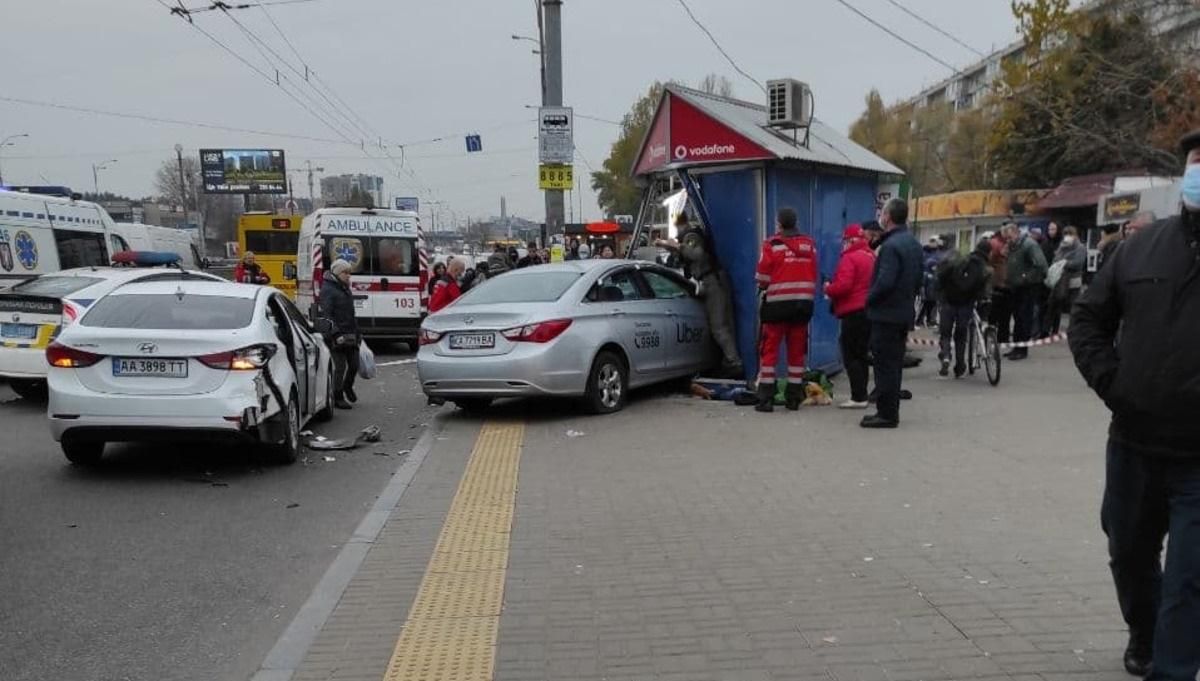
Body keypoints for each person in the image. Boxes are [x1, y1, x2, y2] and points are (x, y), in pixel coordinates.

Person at [1069, 129, 1200, 681]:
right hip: (1134, 443)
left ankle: (1173, 667)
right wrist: (1112, 383)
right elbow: (1087, 320)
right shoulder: (1139, 247)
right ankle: (1143, 636)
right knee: (1127, 552)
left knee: (1189, 576)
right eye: (1197, 160)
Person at [862, 198, 922, 429]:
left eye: (882, 214)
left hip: (885, 314)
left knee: (884, 365)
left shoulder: (890, 246)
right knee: (894, 364)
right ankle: (890, 410)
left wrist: (868, 300)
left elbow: (885, 282)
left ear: (887, 217)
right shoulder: (912, 243)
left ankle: (886, 414)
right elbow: (917, 280)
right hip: (903, 312)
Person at [753, 207, 818, 413]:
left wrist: (765, 287)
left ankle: (766, 399)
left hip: (777, 306)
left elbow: (762, 277)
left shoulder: (771, 245)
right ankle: (793, 398)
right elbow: (814, 272)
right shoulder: (809, 245)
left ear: (779, 224)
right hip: (802, 305)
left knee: (769, 351)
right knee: (797, 353)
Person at [824, 224, 875, 408]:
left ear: (850, 240)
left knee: (851, 354)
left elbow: (844, 286)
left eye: (845, 240)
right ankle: (862, 394)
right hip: (868, 310)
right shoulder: (871, 256)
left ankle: (858, 396)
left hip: (853, 311)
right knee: (861, 355)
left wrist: (828, 288)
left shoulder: (849, 258)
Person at [935, 238, 992, 378]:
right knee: (961, 335)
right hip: (966, 304)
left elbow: (940, 278)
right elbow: (983, 287)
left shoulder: (958, 261)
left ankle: (946, 354)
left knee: (945, 332)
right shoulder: (982, 266)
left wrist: (939, 295)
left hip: (948, 301)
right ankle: (960, 366)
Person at [1001, 223, 1048, 361]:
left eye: (1009, 237)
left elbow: (1041, 265)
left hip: (1027, 287)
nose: (1008, 241)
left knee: (1024, 318)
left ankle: (1022, 349)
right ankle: (1016, 347)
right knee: (1017, 318)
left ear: (1016, 233)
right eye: (1006, 239)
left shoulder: (1029, 245)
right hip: (1014, 287)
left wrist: (1025, 277)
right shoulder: (1013, 246)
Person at [319, 259, 360, 410]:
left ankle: (347, 386)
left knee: (355, 364)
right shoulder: (328, 290)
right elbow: (327, 314)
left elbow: (350, 313)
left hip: (350, 332)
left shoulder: (345, 288)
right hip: (337, 335)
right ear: (337, 273)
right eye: (345, 272)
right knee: (340, 367)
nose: (349, 276)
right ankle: (338, 396)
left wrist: (357, 332)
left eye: (349, 272)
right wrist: (335, 333)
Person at [1044, 225, 1086, 337]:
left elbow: (1079, 263)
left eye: (1070, 234)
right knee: (1053, 304)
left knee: (1073, 306)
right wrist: (1061, 257)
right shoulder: (1061, 247)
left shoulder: (1080, 247)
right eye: (1066, 234)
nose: (1068, 237)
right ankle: (1048, 329)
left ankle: (1073, 329)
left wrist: (1064, 263)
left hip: (1073, 280)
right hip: (1060, 279)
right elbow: (1055, 260)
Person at [918, 237, 945, 327]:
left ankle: (931, 320)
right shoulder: (924, 253)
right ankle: (920, 320)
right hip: (927, 288)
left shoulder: (938, 254)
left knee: (932, 306)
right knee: (924, 306)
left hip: (933, 291)